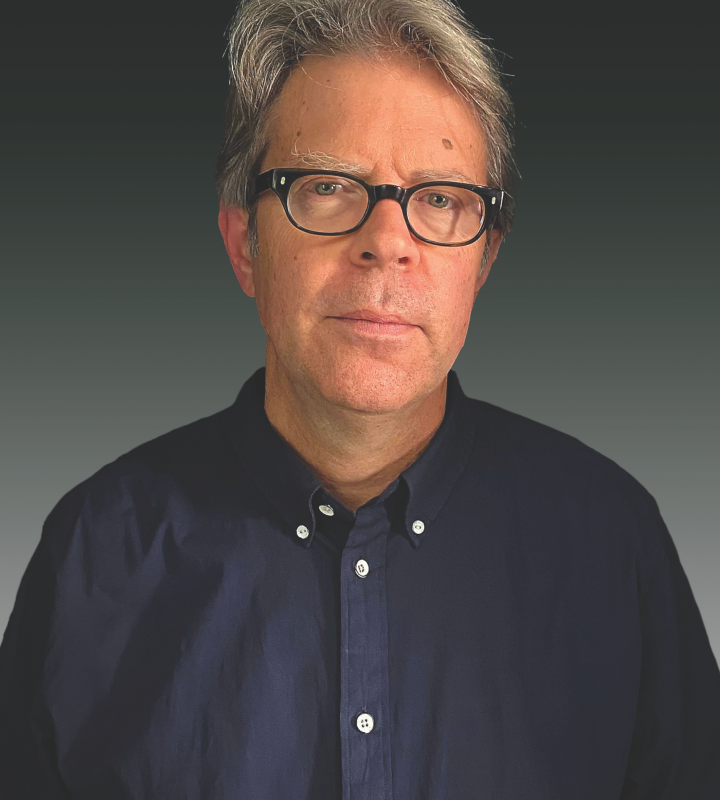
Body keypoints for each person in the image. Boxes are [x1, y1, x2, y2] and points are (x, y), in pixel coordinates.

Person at [1, 0, 718, 797]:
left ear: (482, 262)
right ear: (246, 243)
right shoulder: (95, 557)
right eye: (329, 186)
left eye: (440, 198)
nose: (388, 240)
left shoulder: (613, 548)